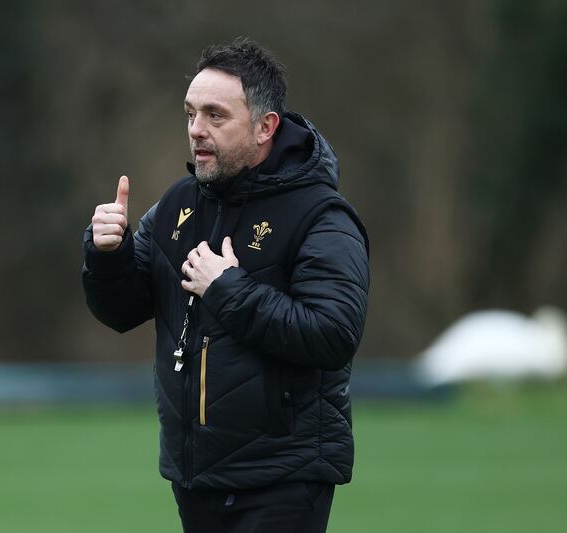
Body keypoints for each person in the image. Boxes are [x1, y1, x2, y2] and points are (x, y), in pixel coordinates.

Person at [82, 38, 369, 533]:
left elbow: (333, 333)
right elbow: (124, 310)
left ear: (265, 127)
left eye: (216, 116)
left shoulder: (321, 215)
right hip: (195, 476)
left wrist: (229, 290)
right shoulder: (177, 205)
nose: (197, 130)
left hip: (283, 476)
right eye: (191, 114)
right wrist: (107, 255)